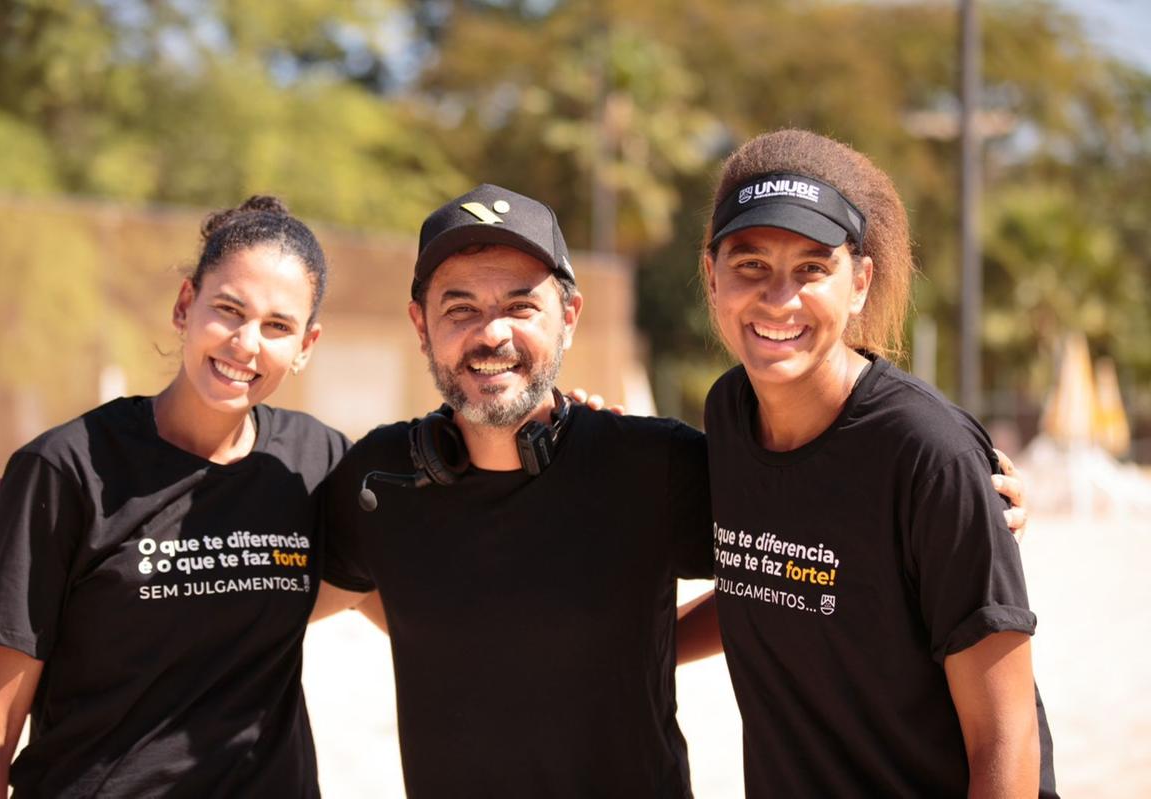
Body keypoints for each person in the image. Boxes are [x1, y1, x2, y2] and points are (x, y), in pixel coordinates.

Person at [313, 183, 1030, 798]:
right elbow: (291, 580)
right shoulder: (380, 479)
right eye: (459, 307)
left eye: (521, 305)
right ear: (421, 324)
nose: (490, 333)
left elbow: (790, 553)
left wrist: (963, 489)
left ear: (569, 315)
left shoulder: (649, 463)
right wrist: (447, 633)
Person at [695, 129, 1056, 796]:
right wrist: (628, 653)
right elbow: (771, 579)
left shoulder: (929, 454)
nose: (779, 299)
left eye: (811, 268)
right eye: (750, 266)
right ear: (711, 275)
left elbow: (1005, 736)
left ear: (859, 282)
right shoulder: (728, 413)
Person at [0, 196, 345, 797]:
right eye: (228, 310)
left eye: (278, 326)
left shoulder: (316, 463)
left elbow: (402, 601)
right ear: (185, 305)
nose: (246, 343)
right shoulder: (65, 469)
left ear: (307, 346)